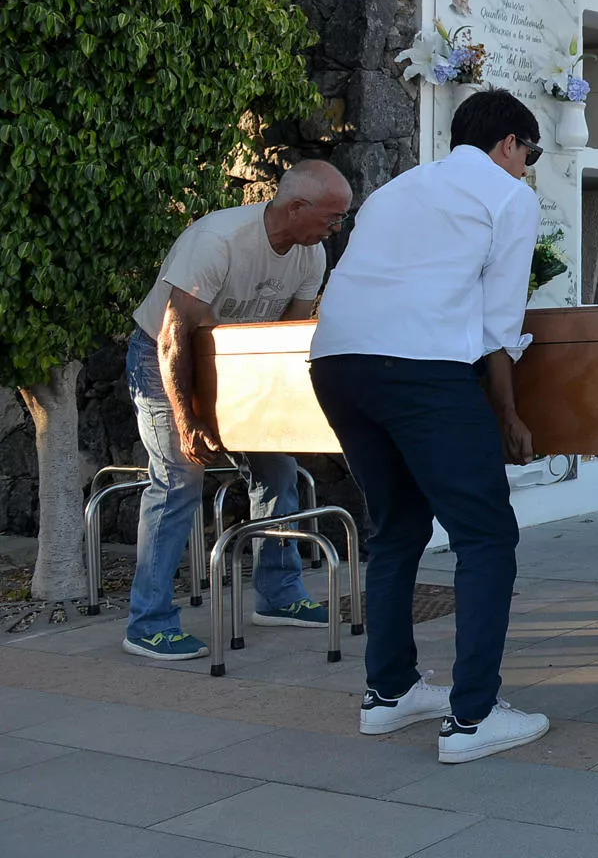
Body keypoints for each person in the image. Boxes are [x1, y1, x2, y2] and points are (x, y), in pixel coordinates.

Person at [308, 90, 549, 765]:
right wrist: (506, 414)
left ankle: (389, 694)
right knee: (486, 535)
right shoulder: (507, 195)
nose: (527, 171)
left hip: (336, 363)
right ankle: (472, 718)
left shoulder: (397, 189)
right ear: (510, 143)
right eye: (528, 156)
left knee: (398, 527)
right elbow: (502, 323)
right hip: (418, 369)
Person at [122, 162, 353, 661]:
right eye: (332, 218)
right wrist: (187, 421)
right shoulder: (218, 240)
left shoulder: (310, 254)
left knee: (277, 468)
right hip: (166, 357)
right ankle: (149, 621)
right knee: (178, 479)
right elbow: (172, 335)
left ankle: (279, 593)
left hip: (237, 364)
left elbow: (287, 345)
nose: (336, 229)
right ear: (296, 208)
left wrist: (295, 420)